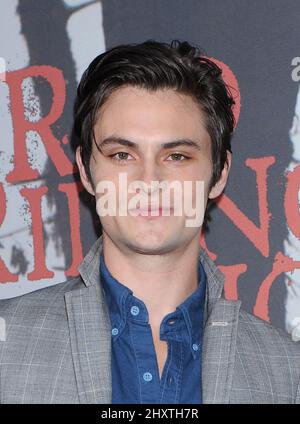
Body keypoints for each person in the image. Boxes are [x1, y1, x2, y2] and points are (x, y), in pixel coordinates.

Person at [0, 40, 299, 404]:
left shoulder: (287, 370)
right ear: (86, 171)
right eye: (122, 154)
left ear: (218, 174)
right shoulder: (7, 344)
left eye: (176, 156)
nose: (149, 181)